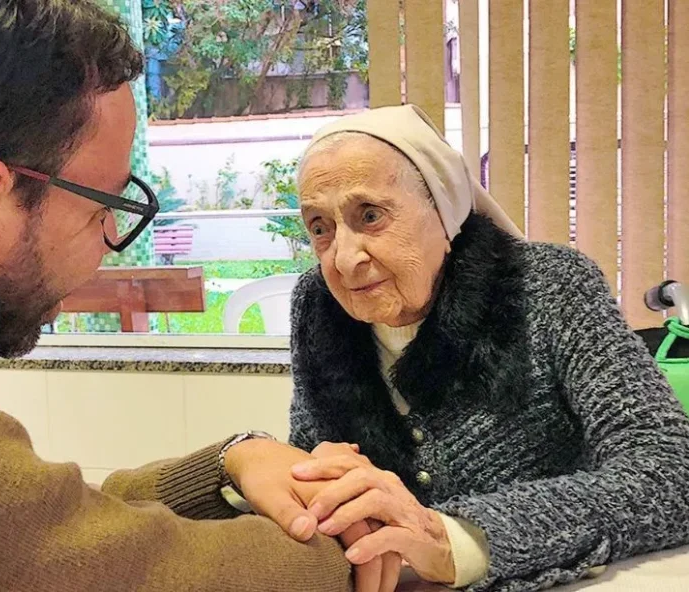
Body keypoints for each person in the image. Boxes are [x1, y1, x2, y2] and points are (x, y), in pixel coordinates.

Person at [0, 2, 390, 590]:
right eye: (102, 211)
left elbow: (28, 522)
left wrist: (230, 464)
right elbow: (84, 567)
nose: (108, 247)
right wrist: (365, 544)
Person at [286, 104, 689, 591]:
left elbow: (670, 471)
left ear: (446, 210)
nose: (344, 259)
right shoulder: (316, 306)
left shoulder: (550, 287)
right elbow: (308, 453)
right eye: (320, 228)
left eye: (370, 216)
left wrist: (461, 538)